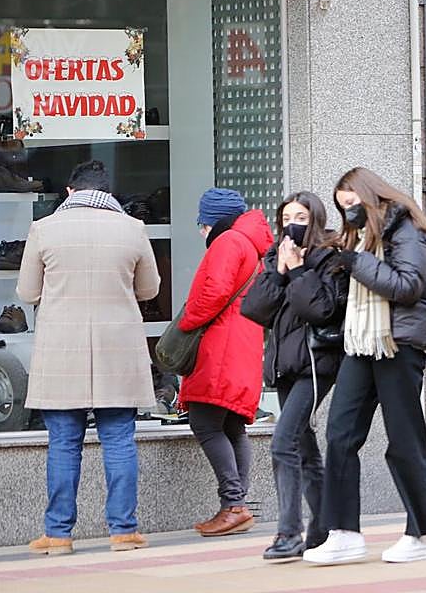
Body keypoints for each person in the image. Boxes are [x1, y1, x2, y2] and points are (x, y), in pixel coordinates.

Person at [303, 167, 426, 566]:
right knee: (340, 432)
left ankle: (420, 534)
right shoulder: (363, 236)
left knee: (404, 440)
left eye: (352, 204)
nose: (348, 213)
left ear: (371, 197)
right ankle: (344, 532)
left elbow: (407, 286)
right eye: (342, 207)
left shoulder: (408, 229)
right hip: (363, 342)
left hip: (399, 342)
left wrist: (355, 262)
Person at [19, 160, 160, 555]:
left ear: (70, 191)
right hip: (118, 349)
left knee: (64, 443)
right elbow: (149, 289)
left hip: (61, 351)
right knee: (119, 439)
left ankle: (58, 534)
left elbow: (27, 292)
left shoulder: (44, 228)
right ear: (107, 192)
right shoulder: (133, 228)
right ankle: (123, 531)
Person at [241, 191, 347, 560]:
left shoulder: (329, 258)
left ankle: (289, 532)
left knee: (282, 442)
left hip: (317, 364)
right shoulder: (276, 256)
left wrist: (300, 270)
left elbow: (321, 310)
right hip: (286, 364)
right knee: (304, 448)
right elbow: (255, 309)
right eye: (286, 219)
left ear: (315, 220)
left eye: (301, 218)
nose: (292, 225)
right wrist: (280, 272)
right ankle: (324, 528)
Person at [179, 187, 273, 535]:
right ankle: (236, 505)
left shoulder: (229, 241)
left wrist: (187, 322)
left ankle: (233, 504)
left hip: (222, 345)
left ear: (213, 221)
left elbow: (214, 291)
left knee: (205, 422)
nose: (201, 231)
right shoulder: (250, 243)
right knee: (232, 425)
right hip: (242, 343)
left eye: (202, 223)